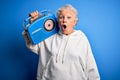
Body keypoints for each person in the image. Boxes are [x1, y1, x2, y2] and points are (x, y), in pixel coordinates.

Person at [22, 4, 100, 80]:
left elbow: (90, 65)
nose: (64, 20)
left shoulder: (81, 38)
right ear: (58, 21)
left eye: (68, 17)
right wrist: (32, 24)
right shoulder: (49, 36)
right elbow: (32, 45)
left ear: (75, 22)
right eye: (61, 17)